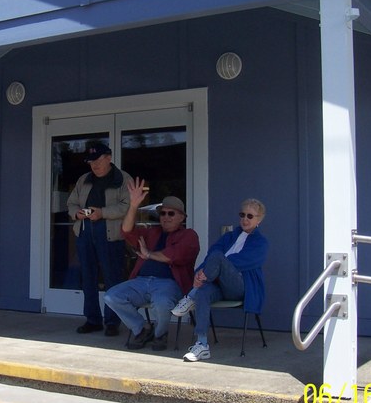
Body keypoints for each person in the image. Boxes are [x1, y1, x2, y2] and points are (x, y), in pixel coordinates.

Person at [103, 177, 200, 351]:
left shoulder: (189, 235)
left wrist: (149, 254)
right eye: (163, 213)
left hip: (169, 284)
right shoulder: (152, 232)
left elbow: (175, 255)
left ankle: (160, 333)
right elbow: (126, 231)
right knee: (111, 296)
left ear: (182, 217)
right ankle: (142, 329)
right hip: (141, 281)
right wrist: (133, 205)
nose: (166, 217)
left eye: (171, 213)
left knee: (162, 302)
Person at [172, 199, 268, 362]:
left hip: (240, 287)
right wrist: (200, 273)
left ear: (259, 220)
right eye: (242, 214)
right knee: (203, 291)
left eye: (250, 216)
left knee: (218, 258)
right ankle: (202, 345)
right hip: (217, 284)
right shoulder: (229, 237)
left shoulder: (261, 243)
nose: (245, 219)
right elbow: (211, 256)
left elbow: (240, 262)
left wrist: (213, 270)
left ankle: (190, 297)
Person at [67, 142, 133, 336]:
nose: (94, 165)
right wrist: (77, 214)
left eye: (97, 160)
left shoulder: (122, 179)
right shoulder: (84, 180)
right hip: (85, 231)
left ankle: (112, 322)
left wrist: (102, 213)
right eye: (90, 162)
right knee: (88, 277)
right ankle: (92, 319)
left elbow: (127, 206)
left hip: (110, 233)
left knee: (113, 278)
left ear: (109, 158)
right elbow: (71, 203)